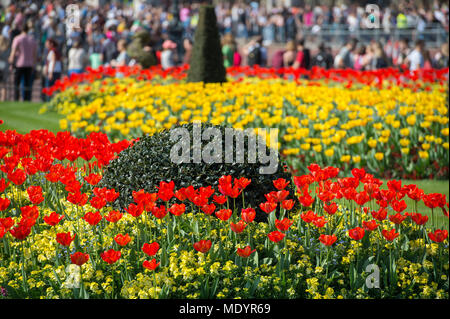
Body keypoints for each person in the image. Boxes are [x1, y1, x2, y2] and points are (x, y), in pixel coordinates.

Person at [8, 23, 37, 101]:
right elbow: (34, 54)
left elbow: (13, 52)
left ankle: (16, 98)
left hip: (19, 64)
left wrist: (11, 62)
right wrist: (34, 65)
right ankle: (27, 99)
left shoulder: (17, 39)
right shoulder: (32, 39)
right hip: (29, 64)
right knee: (27, 83)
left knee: (16, 83)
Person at [0, 34, 10, 101]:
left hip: (1, 66)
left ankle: (3, 97)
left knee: (2, 84)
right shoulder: (7, 48)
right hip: (5, 67)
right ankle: (3, 98)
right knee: (4, 84)